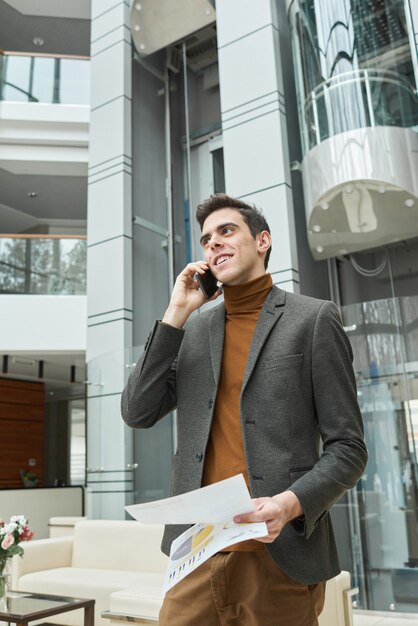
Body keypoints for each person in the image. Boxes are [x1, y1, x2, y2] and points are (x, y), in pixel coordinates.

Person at [121, 193, 368, 626]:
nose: (213, 243)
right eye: (206, 239)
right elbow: (137, 411)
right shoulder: (194, 328)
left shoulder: (312, 320)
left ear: (263, 241)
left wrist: (291, 505)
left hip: (278, 557)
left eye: (227, 231)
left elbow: (348, 448)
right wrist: (175, 314)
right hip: (195, 554)